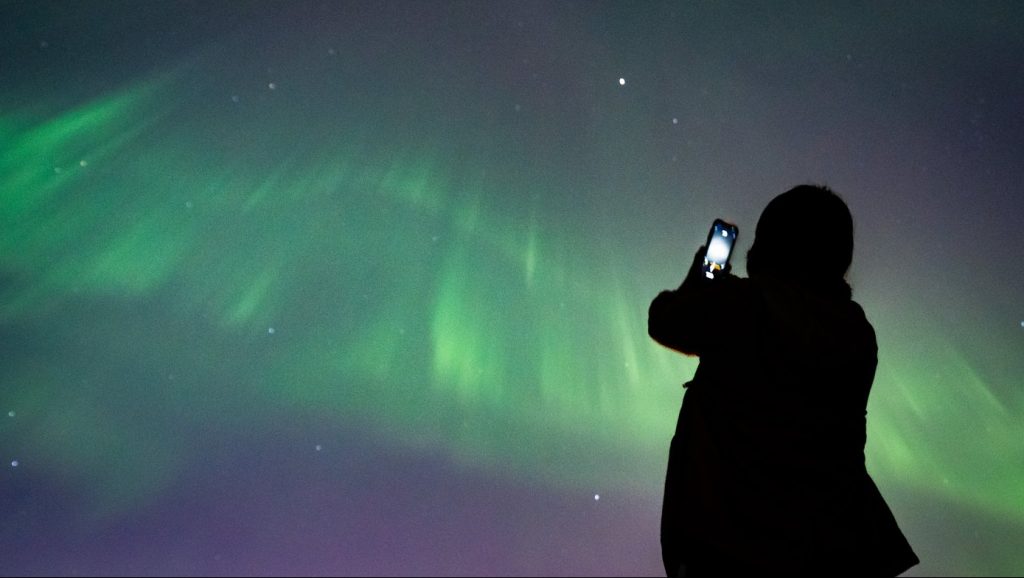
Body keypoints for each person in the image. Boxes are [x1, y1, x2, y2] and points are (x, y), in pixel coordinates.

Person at [648, 185, 919, 576]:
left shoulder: (746, 303)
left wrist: (703, 280)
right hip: (829, 545)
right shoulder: (857, 330)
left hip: (732, 540)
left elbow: (667, 320)